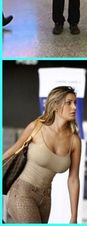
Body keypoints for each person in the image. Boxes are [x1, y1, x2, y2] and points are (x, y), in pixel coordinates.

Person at [3, 86, 81, 223]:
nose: (74, 107)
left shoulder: (74, 140)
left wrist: (73, 216)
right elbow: (13, 150)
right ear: (56, 105)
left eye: (75, 103)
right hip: (22, 192)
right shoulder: (37, 126)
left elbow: (73, 179)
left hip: (45, 199)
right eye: (69, 103)